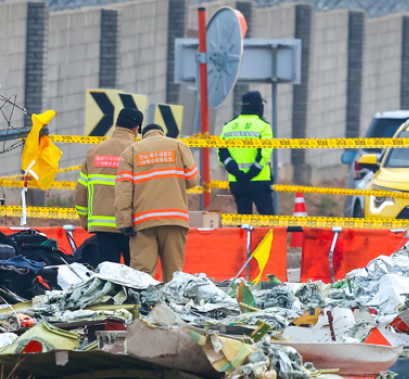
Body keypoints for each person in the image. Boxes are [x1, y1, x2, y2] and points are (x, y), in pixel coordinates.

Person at [114, 123, 200, 283]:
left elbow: (122, 191)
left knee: (142, 275)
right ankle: (170, 306)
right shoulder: (178, 146)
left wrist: (124, 222)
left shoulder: (131, 152)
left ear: (143, 135)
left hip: (143, 222)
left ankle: (144, 306)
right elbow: (193, 179)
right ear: (161, 132)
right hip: (174, 219)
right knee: (174, 273)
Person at [74, 107, 143, 266]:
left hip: (102, 225)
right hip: (130, 225)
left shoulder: (95, 151)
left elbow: (80, 192)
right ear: (136, 129)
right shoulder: (137, 151)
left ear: (116, 124)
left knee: (107, 273)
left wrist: (88, 222)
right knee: (132, 275)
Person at [217, 90, 274, 216]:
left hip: (237, 182)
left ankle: (244, 237)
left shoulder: (229, 126)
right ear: (259, 106)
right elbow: (264, 154)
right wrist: (251, 173)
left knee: (243, 222)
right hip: (259, 181)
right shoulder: (263, 126)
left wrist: (237, 172)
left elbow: (222, 153)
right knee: (270, 221)